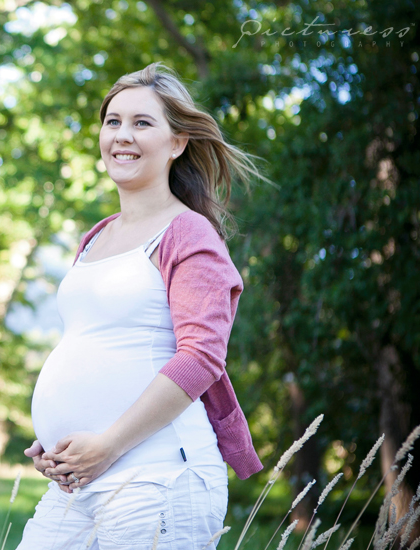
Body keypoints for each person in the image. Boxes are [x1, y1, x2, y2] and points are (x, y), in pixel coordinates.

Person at [17, 62, 272, 550]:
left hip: (158, 475)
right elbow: (93, 344)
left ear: (177, 143)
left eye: (142, 122)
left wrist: (106, 444)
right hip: (80, 480)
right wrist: (58, 440)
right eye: (112, 121)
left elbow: (201, 357)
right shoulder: (96, 237)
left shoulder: (188, 233)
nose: (121, 135)